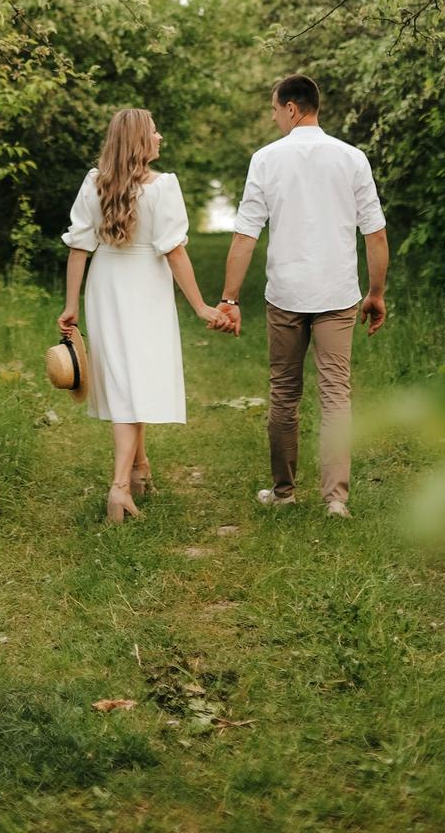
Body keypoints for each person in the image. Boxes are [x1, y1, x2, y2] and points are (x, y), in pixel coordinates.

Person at [215, 74, 389, 519]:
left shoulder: (266, 159)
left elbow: (245, 235)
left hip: (287, 295)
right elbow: (375, 233)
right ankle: (335, 500)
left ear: (292, 108)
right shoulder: (352, 158)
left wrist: (230, 300)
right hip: (337, 294)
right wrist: (375, 293)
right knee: (336, 395)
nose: (274, 117)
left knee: (284, 393)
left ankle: (284, 492)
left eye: (275, 109)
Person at [58, 107, 229, 524]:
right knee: (133, 386)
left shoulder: (94, 183)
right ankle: (118, 489)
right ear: (138, 140)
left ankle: (139, 468)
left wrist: (72, 304)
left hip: (106, 286)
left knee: (124, 378)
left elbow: (79, 246)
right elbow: (174, 250)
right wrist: (200, 305)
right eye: (154, 132)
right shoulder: (163, 187)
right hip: (145, 288)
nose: (160, 138)